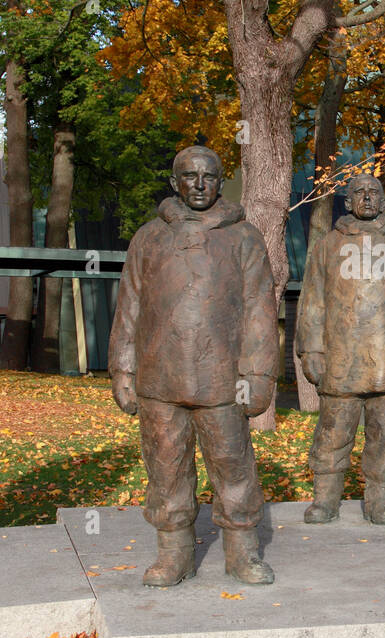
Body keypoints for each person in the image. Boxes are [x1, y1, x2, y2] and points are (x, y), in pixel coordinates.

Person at [109, 145, 277, 586]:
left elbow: (260, 308)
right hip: (159, 376)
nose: (199, 185)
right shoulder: (148, 237)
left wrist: (257, 374)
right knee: (165, 466)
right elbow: (129, 306)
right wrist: (123, 370)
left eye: (209, 177)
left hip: (223, 380)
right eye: (189, 176)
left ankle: (242, 551)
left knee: (232, 463)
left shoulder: (245, 238)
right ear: (174, 182)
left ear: (222, 182)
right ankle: (174, 553)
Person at [295, 174, 385, 525]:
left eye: (375, 193)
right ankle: (325, 500)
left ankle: (379, 500)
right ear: (347, 201)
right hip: (341, 361)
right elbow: (312, 302)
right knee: (332, 434)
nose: (368, 199)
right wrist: (311, 350)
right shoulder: (327, 246)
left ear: (384, 200)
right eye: (360, 193)